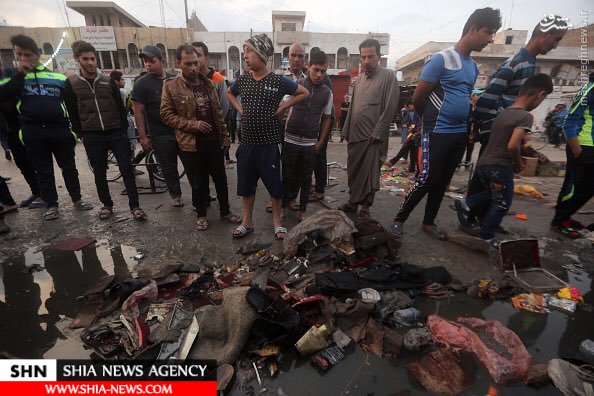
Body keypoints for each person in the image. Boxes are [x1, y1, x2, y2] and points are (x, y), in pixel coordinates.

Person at [392, 7, 502, 240]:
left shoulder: (472, 66)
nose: (490, 39)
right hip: (436, 132)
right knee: (427, 179)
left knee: (443, 181)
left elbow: (464, 97)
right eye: (487, 32)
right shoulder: (441, 60)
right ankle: (399, 218)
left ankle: (429, 222)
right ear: (472, 29)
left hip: (459, 134)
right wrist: (428, 122)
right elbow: (418, 98)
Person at [1, 34, 93, 220]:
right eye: (19, 55)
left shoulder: (57, 77)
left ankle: (77, 199)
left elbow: (72, 106)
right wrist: (20, 74)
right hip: (33, 132)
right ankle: (52, 204)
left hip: (59, 130)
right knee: (43, 170)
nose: (23, 59)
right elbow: (4, 98)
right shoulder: (12, 78)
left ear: (37, 54)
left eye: (27, 55)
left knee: (69, 167)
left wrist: (74, 132)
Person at [455, 74, 553, 247]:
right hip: (500, 166)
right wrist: (518, 163)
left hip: (485, 163)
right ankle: (486, 237)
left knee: (495, 194)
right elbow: (512, 145)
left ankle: (467, 202)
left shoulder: (503, 113)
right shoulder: (525, 117)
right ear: (540, 95)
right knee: (502, 202)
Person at [227, 33, 308, 240]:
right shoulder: (243, 80)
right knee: (246, 185)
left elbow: (303, 93)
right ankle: (247, 222)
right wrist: (240, 109)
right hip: (247, 144)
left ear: (262, 54)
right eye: (244, 51)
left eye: (249, 51)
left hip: (270, 144)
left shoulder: (277, 80)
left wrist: (282, 106)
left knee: (275, 185)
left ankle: (277, 222)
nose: (245, 56)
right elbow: (229, 93)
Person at [161, 44, 240, 231]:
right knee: (198, 182)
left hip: (213, 141)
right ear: (179, 63)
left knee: (221, 179)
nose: (193, 68)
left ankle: (225, 212)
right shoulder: (171, 86)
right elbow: (166, 115)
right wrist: (192, 125)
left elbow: (219, 114)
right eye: (188, 64)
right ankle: (201, 215)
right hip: (190, 144)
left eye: (196, 63)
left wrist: (225, 138)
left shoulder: (209, 84)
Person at [64, 40, 146, 220]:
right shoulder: (71, 84)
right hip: (92, 134)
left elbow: (120, 107)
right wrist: (82, 133)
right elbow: (72, 111)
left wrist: (123, 130)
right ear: (77, 59)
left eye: (93, 58)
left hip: (116, 132)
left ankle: (135, 206)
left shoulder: (107, 81)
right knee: (99, 172)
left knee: (127, 170)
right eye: (86, 59)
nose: (90, 63)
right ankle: (107, 204)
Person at [473, 14, 570, 157]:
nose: (555, 46)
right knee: (488, 174)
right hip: (498, 132)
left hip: (507, 132)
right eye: (556, 39)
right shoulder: (516, 63)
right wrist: (476, 127)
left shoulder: (530, 64)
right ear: (545, 33)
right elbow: (488, 97)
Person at [339, 38, 400, 220]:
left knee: (370, 173)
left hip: (373, 138)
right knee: (353, 170)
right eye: (363, 57)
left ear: (379, 57)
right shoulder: (359, 80)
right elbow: (353, 108)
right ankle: (352, 202)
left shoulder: (389, 76)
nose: (366, 61)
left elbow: (390, 107)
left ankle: (365, 206)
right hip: (356, 136)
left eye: (370, 57)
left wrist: (378, 132)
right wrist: (346, 130)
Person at [132, 45, 186, 207]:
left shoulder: (175, 79)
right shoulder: (142, 84)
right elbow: (138, 112)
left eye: (151, 61)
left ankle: (202, 193)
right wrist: (143, 136)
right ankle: (175, 195)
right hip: (160, 134)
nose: (148, 65)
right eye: (145, 62)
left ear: (161, 61)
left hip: (181, 131)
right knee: (168, 167)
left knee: (192, 164)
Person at [282, 50, 333, 222]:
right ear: (308, 67)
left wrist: (320, 142)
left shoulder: (327, 93)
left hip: (310, 143)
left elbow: (327, 119)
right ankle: (282, 207)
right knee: (287, 176)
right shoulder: (297, 85)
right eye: (316, 70)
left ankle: (302, 211)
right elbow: (284, 105)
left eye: (323, 71)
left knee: (305, 179)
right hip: (290, 139)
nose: (319, 74)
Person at [550, 71, 594, 239]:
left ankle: (566, 216)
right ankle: (559, 221)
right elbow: (569, 121)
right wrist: (577, 151)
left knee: (589, 187)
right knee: (572, 186)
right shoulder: (587, 90)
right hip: (582, 146)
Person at [0, 67, 44, 208]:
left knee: (34, 163)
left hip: (25, 128)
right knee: (22, 164)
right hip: (10, 132)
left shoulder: (12, 76)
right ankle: (36, 192)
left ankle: (45, 194)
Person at [192, 42, 233, 169]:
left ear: (206, 57)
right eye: (192, 55)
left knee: (217, 172)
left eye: (198, 55)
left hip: (214, 134)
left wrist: (217, 127)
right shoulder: (188, 79)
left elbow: (224, 107)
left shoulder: (217, 78)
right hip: (194, 134)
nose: (196, 59)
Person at [384, 101, 420, 173]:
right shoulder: (416, 111)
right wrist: (412, 129)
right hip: (415, 131)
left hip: (420, 131)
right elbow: (414, 122)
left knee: (409, 146)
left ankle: (394, 161)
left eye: (409, 107)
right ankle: (411, 167)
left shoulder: (419, 109)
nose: (408, 109)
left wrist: (413, 129)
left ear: (412, 104)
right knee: (412, 147)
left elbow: (416, 122)